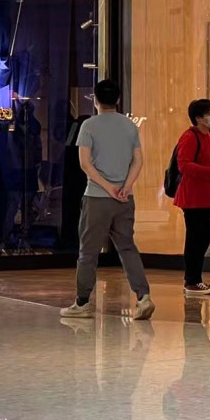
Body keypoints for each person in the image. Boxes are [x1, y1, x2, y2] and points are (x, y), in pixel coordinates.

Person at [61, 79, 154, 320]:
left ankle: (82, 303)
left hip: (97, 197)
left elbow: (85, 164)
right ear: (118, 100)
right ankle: (143, 297)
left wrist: (108, 187)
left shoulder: (89, 126)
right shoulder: (129, 126)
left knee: (88, 251)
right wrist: (125, 187)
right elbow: (138, 161)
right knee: (127, 247)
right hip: (125, 198)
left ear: (95, 99)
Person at [173, 99, 210, 296]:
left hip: (208, 195)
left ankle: (196, 278)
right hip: (192, 197)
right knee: (195, 239)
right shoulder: (190, 136)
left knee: (204, 237)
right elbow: (184, 165)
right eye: (209, 112)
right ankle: (192, 280)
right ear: (198, 118)